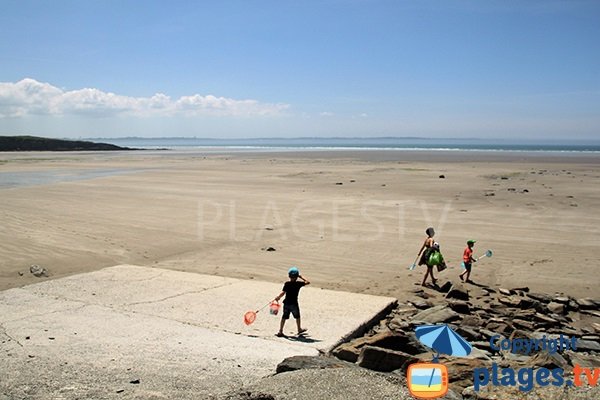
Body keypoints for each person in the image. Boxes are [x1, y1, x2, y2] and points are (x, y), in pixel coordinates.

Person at [274, 267, 310, 337]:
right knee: (297, 316)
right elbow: (308, 282)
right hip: (294, 303)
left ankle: (280, 331)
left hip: (286, 303)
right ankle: (299, 329)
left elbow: (283, 292)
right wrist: (301, 276)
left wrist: (278, 297)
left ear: (289, 276)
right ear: (297, 277)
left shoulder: (287, 284)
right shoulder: (298, 284)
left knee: (284, 317)